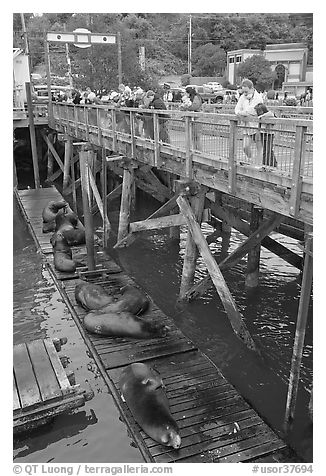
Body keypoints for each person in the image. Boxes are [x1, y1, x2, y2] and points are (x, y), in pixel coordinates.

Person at [234, 78, 263, 160]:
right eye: (243, 92)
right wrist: (241, 113)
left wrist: (243, 113)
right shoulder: (243, 97)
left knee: (259, 148)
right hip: (246, 127)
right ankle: (251, 159)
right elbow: (237, 109)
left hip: (257, 126)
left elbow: (252, 110)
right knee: (245, 147)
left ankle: (260, 165)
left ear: (252, 89)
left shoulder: (258, 98)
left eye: (246, 91)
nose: (245, 94)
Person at [254, 103, 277, 167]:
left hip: (269, 134)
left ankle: (273, 164)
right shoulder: (261, 116)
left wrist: (261, 116)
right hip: (263, 133)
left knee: (268, 150)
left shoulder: (269, 114)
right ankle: (265, 164)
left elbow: (270, 114)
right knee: (265, 150)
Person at [180, 85, 203, 150]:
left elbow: (194, 107)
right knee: (193, 136)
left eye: (186, 93)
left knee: (197, 136)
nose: (185, 94)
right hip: (193, 118)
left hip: (197, 118)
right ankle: (195, 150)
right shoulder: (191, 98)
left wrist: (185, 107)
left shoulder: (196, 97)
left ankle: (198, 151)